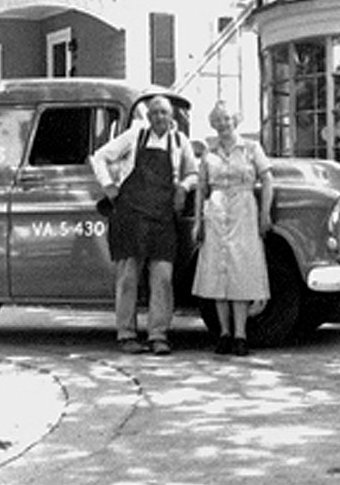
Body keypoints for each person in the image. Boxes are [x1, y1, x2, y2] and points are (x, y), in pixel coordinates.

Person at [90, 95, 198, 355]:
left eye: (164, 113)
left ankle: (158, 334)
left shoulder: (180, 142)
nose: (160, 117)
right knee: (128, 277)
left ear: (171, 116)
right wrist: (109, 187)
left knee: (162, 277)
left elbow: (193, 172)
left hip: (163, 218)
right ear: (148, 116)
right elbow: (100, 156)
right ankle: (126, 333)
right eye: (155, 113)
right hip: (131, 215)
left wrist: (184, 186)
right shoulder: (135, 136)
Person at [192, 100, 273, 357]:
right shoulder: (209, 153)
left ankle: (241, 334)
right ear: (213, 125)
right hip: (216, 212)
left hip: (243, 210)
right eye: (218, 121)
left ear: (235, 121)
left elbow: (268, 179)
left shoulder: (251, 148)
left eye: (227, 119)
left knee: (240, 270)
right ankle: (224, 333)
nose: (223, 125)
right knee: (218, 272)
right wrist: (198, 221)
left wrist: (264, 212)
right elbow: (201, 189)